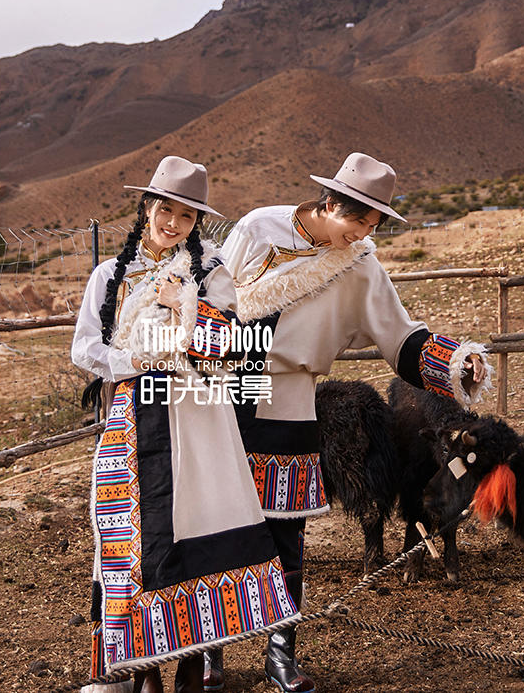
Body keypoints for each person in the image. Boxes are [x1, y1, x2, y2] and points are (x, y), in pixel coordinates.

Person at [218, 152, 492, 693]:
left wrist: (459, 361)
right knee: (216, 525)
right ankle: (207, 656)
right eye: (356, 223)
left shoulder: (360, 265)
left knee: (284, 533)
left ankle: (280, 656)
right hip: (222, 393)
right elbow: (211, 297)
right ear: (329, 204)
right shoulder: (256, 228)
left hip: (292, 398)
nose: (362, 236)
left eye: (372, 226)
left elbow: (401, 337)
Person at [72, 156, 297, 693]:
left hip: (201, 418)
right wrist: (137, 359)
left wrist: (189, 310)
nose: (172, 223)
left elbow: (242, 344)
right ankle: (142, 674)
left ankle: (191, 675)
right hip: (133, 419)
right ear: (147, 206)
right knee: (138, 546)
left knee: (202, 541)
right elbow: (85, 346)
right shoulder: (110, 276)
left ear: (197, 222)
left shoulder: (212, 271)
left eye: (186, 216)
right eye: (165, 209)